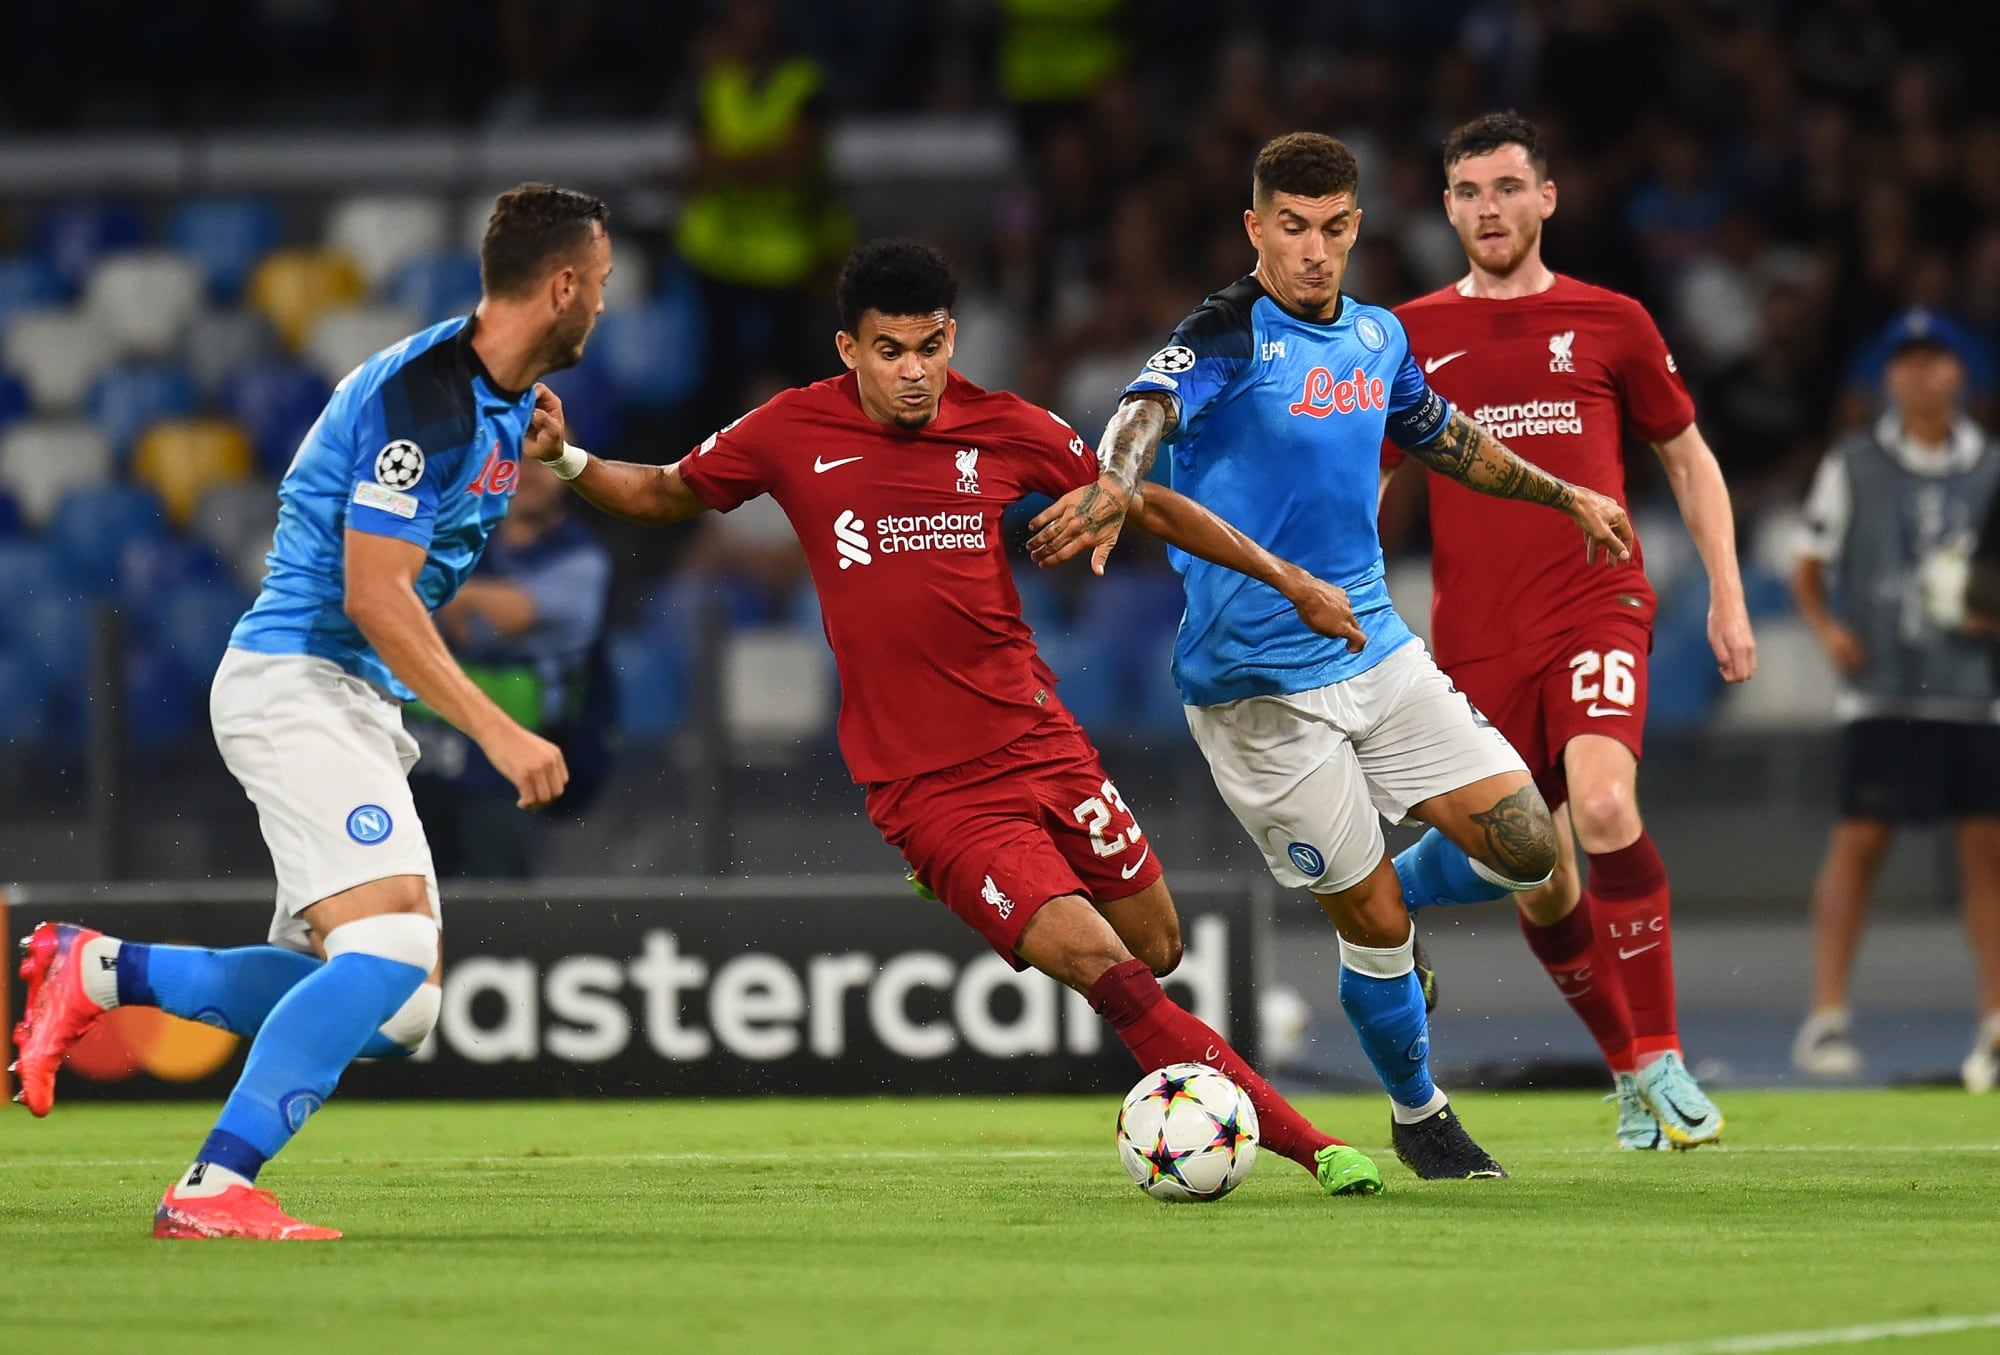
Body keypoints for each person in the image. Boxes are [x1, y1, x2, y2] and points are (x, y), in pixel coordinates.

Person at [532, 237, 1388, 1199]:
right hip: (927, 785)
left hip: (1040, 740)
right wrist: (565, 456)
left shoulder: (1007, 425)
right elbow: (662, 490)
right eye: (890, 350)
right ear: (849, 349)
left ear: (952, 338)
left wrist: (1293, 579)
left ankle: (998, 896)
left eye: (930, 346)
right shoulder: (789, 428)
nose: (913, 371)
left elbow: (1137, 500)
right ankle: (1318, 1148)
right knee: (1109, 968)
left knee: (1159, 946)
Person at [1026, 131, 1636, 1178]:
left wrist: (1562, 490)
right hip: (1255, 688)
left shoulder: (1378, 338)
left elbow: (1449, 438)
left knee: (1528, 842)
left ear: (1356, 227)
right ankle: (1419, 1110)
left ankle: (1392, 881)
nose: (1313, 250)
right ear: (1255, 227)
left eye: (1333, 229)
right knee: (1376, 924)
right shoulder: (1223, 333)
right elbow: (1143, 409)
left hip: (1373, 647)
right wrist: (1116, 481)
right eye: (1292, 228)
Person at [11, 184, 612, 1238]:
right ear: (560, 284)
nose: (604, 306)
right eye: (599, 285)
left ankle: (97, 967)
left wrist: (550, 450)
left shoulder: (500, 395)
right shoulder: (425, 402)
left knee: (400, 1005)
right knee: (386, 950)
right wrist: (496, 726)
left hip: (347, 700)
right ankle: (211, 1186)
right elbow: (374, 595)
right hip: (297, 683)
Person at [1379, 113, 1756, 1150]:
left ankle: (1662, 1051)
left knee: (1599, 803)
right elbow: (1362, 482)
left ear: (1546, 197)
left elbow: (1687, 459)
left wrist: (1724, 592)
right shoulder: (1402, 334)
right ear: (1445, 205)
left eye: (1506, 187)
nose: (1487, 208)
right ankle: (1628, 1068)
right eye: (1466, 191)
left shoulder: (1610, 320)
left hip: (1594, 601)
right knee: (1535, 870)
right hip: (1475, 639)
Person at [1790, 308, 2000, 1093]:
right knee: (1860, 843)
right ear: (1889, 376)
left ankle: (1995, 1021)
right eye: (1907, 361)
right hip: (1880, 686)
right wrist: (1829, 631)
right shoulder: (1854, 462)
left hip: (1972, 688)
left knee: (1988, 854)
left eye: (1936, 360)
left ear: (1960, 373)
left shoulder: (1992, 467)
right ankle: (1828, 1014)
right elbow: (1804, 562)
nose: (1922, 374)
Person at [411, 459, 616, 877]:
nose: (531, 473)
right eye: (518, 459)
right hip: (421, 754)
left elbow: (515, 612)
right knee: (406, 903)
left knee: (496, 909)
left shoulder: (582, 558)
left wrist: (451, 594)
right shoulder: (462, 532)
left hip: (503, 767)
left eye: (546, 461)